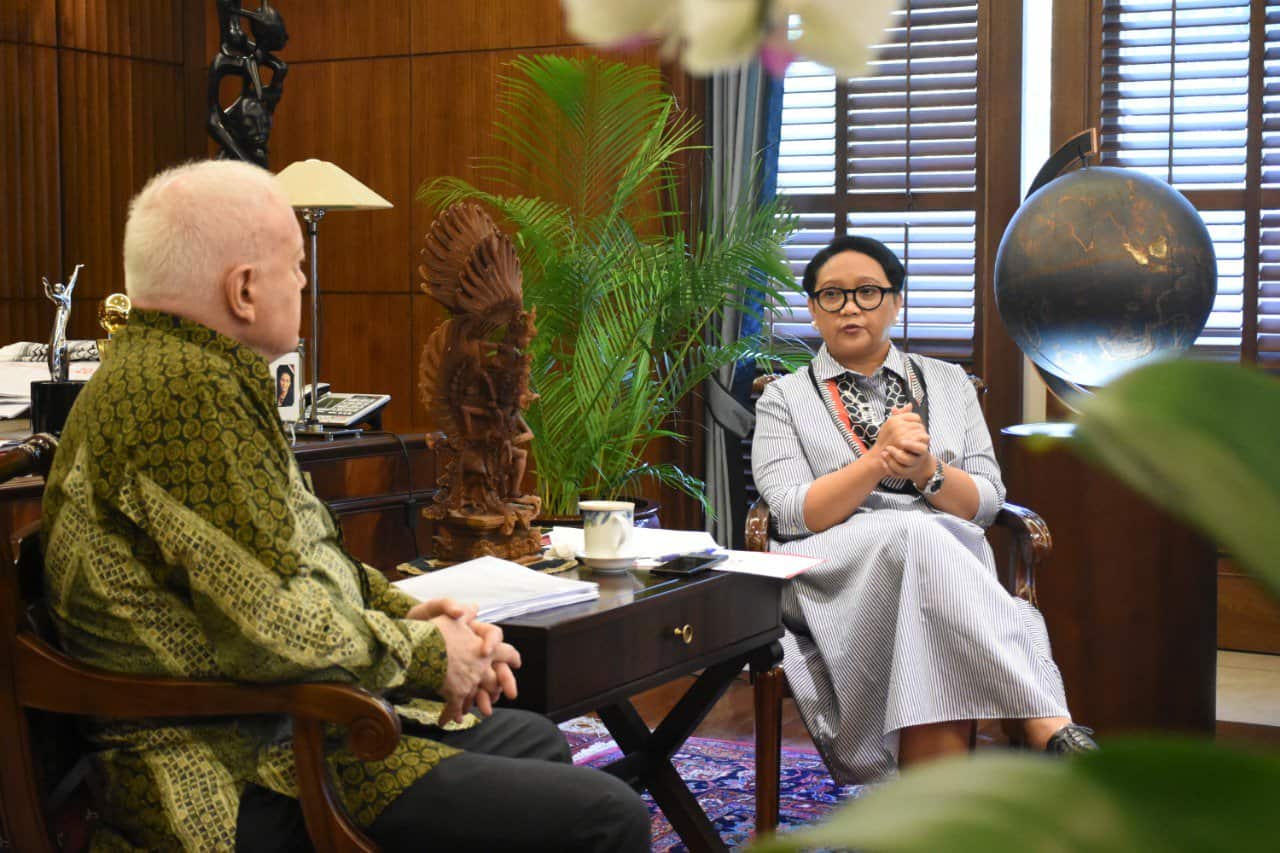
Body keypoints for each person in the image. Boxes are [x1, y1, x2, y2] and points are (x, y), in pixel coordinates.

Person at [41, 160, 649, 852]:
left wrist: (409, 614)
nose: (302, 281)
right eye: (295, 265)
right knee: (610, 817)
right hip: (224, 772)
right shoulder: (186, 389)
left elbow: (308, 560)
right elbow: (267, 621)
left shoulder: (197, 371)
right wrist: (427, 655)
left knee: (532, 739)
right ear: (243, 288)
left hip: (276, 724)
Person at [751, 235, 1097, 784]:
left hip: (944, 563)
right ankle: (1044, 719)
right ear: (813, 310)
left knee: (932, 557)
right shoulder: (785, 398)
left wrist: (926, 473)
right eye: (832, 296)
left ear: (895, 301)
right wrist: (877, 462)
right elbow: (794, 513)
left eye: (867, 292)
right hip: (832, 565)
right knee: (922, 536)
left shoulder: (949, 382)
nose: (850, 308)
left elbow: (986, 501)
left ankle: (930, 825)